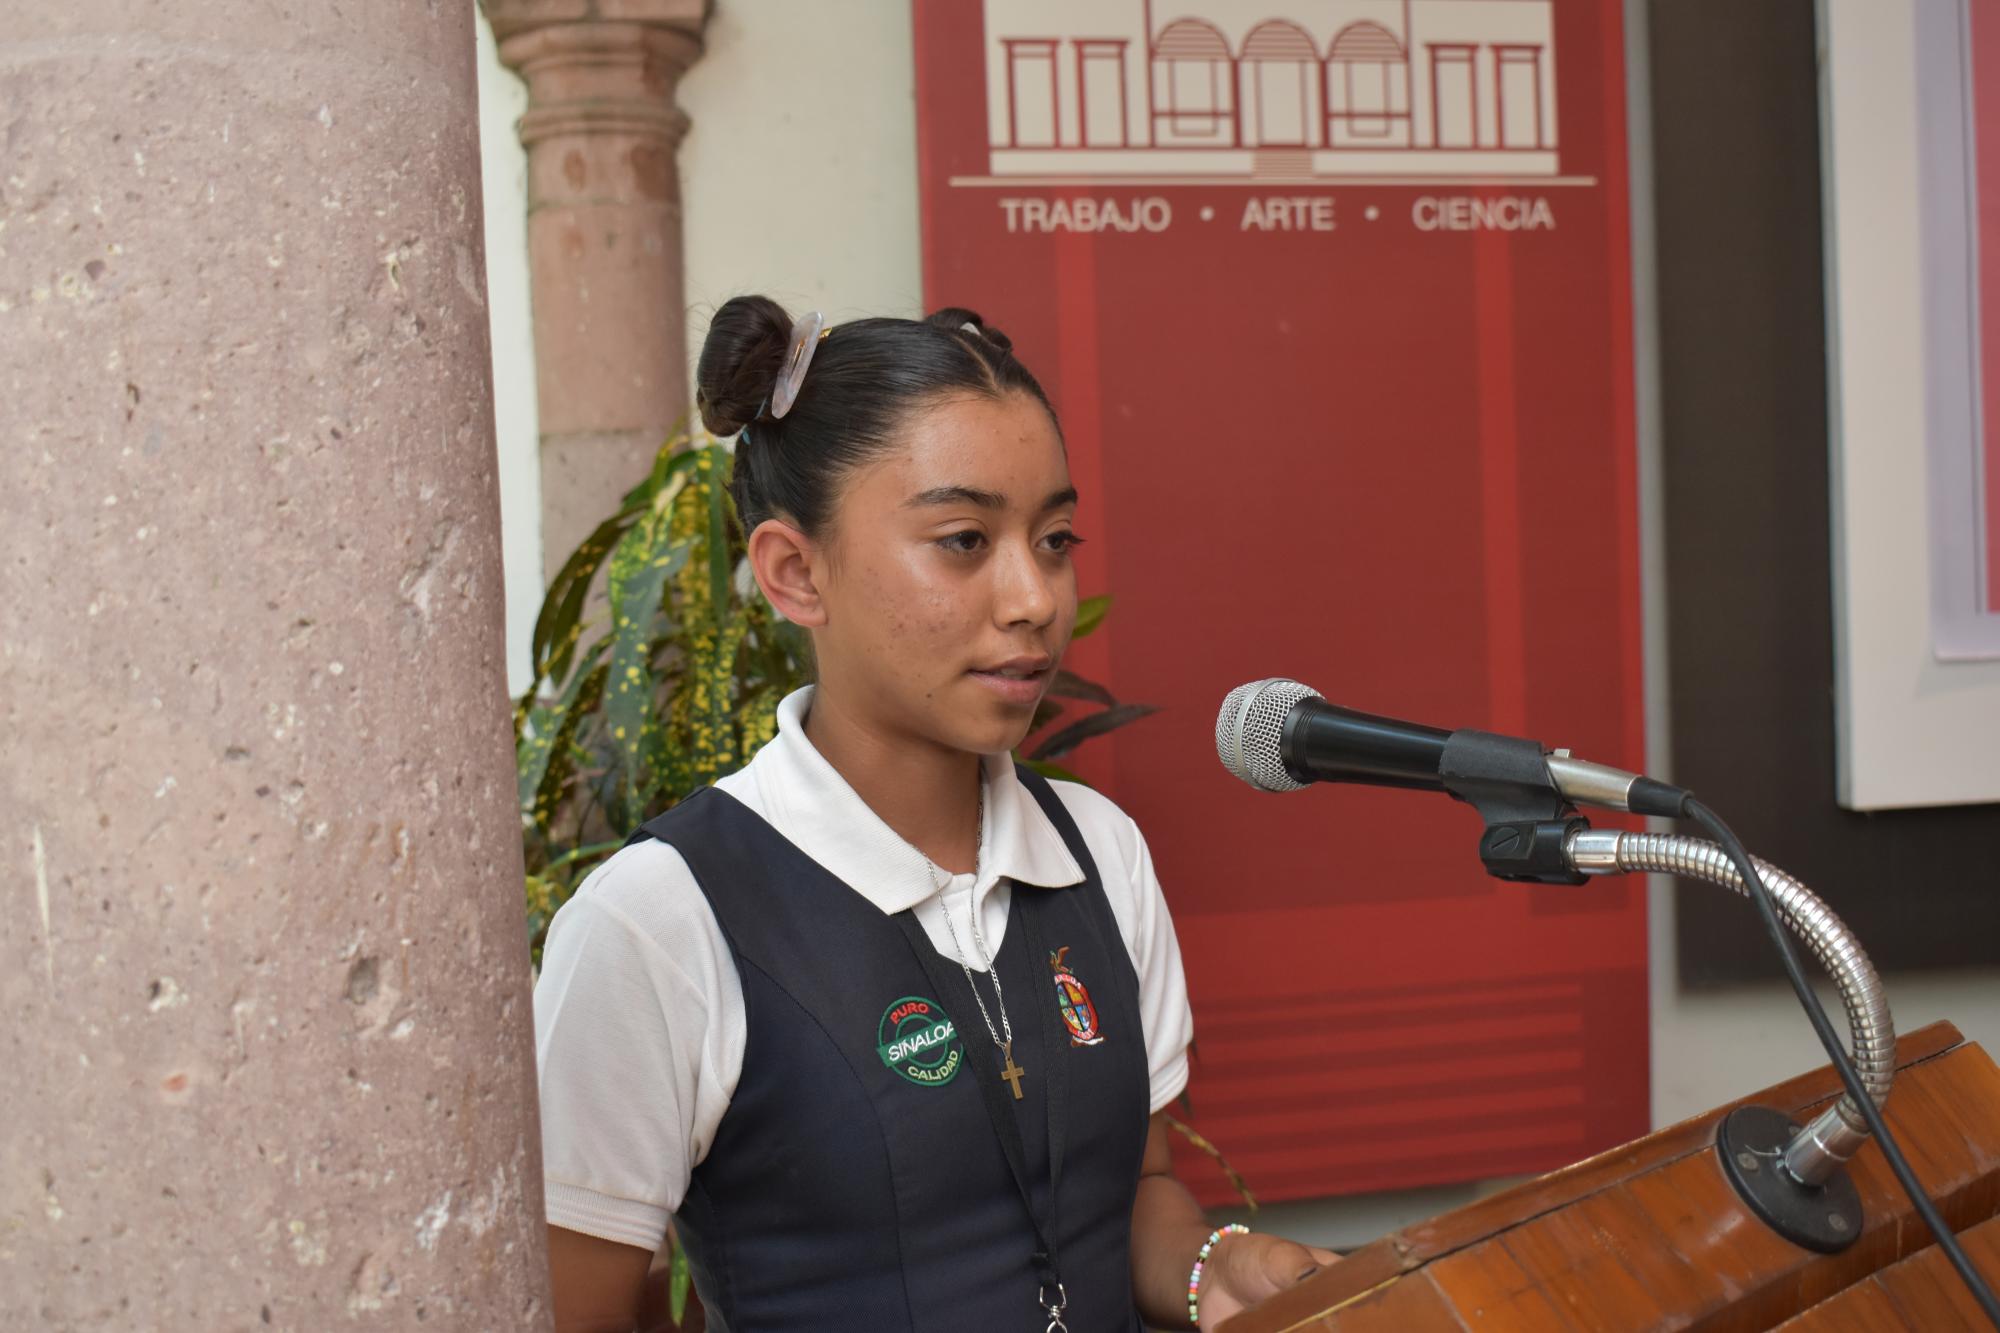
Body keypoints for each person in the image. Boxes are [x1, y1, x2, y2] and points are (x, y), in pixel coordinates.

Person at [534, 297, 1340, 1332]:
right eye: (963, 539)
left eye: (1053, 538)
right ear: (793, 571)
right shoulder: (660, 918)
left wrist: (1214, 1270)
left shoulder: (1100, 852)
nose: (1034, 598)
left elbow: (1132, 1196)